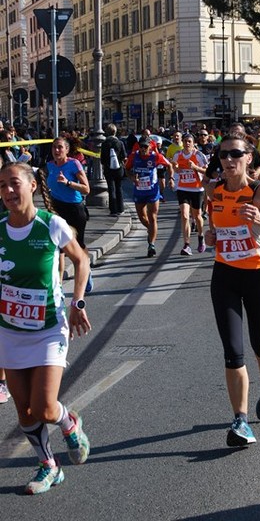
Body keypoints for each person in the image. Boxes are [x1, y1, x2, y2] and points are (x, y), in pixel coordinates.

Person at [0, 162, 91, 494]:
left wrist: (77, 302)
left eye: (14, 184)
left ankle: (69, 423)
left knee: (43, 408)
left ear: (32, 187)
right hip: (9, 332)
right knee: (23, 412)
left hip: (49, 329)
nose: (8, 191)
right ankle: (48, 465)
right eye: (2, 186)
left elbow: (82, 260)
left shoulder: (50, 224)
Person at [204, 133, 260, 447]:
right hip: (224, 277)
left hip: (257, 276)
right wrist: (211, 235)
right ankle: (240, 421)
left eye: (235, 154)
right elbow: (213, 225)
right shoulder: (214, 191)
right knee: (232, 352)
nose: (228, 160)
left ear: (248, 158)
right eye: (223, 155)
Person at [44, 137, 93, 292]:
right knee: (59, 247)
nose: (56, 151)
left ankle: (86, 271)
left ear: (66, 149)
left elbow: (86, 189)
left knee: (78, 246)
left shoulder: (73, 164)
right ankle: (58, 284)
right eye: (54, 148)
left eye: (59, 147)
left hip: (74, 209)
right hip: (57, 210)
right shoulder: (50, 165)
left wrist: (68, 183)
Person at [125, 135, 174, 257]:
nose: (143, 149)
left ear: (150, 146)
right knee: (142, 217)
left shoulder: (155, 156)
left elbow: (169, 165)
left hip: (152, 191)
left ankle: (151, 245)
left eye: (145, 147)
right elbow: (127, 169)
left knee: (153, 217)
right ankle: (151, 229)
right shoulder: (133, 156)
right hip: (139, 191)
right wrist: (132, 177)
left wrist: (171, 178)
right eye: (141, 146)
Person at [172, 133, 208, 255]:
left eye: (189, 141)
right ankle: (186, 245)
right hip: (183, 188)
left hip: (197, 189)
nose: (187, 143)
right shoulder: (178, 154)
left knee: (197, 216)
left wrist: (195, 167)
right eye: (185, 141)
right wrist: (175, 169)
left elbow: (207, 170)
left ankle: (200, 236)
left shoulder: (198, 155)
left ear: (193, 144)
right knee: (185, 215)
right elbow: (174, 168)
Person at [100, 123, 127, 215]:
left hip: (108, 169)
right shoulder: (120, 143)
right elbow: (124, 156)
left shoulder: (104, 143)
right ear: (115, 132)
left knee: (111, 189)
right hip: (119, 168)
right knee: (119, 188)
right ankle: (121, 209)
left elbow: (102, 159)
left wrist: (105, 165)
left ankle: (113, 210)